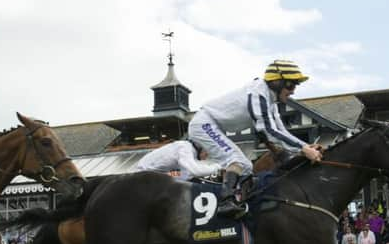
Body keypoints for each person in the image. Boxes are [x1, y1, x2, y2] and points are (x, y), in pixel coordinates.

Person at [188, 60, 322, 217]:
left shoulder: (270, 99)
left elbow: (280, 130)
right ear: (277, 82)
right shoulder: (258, 94)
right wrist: (304, 149)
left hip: (214, 126)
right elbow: (270, 131)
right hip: (204, 124)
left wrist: (306, 147)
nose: (293, 91)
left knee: (246, 167)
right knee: (239, 161)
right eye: (291, 85)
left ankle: (237, 199)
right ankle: (225, 203)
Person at [135, 140, 221, 181]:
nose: (207, 156)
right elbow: (196, 171)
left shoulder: (189, 151)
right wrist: (218, 167)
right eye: (207, 152)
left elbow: (185, 175)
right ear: (200, 147)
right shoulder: (185, 147)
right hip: (144, 175)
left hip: (154, 174)